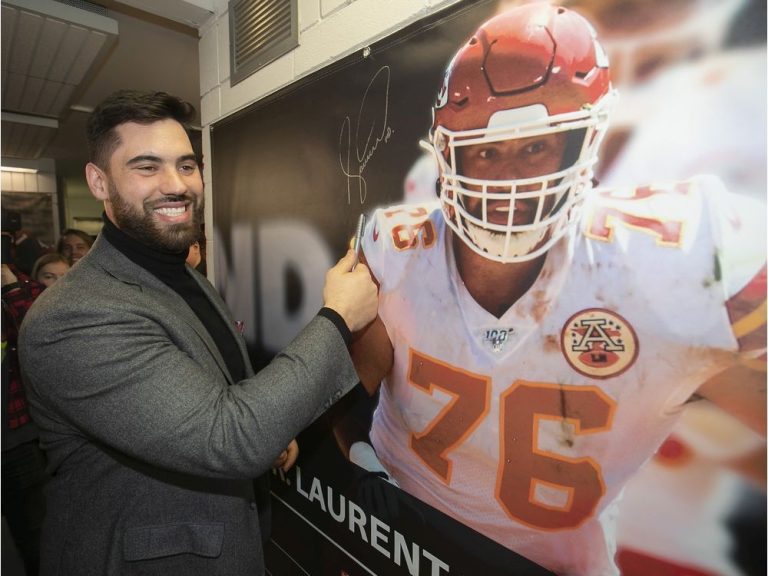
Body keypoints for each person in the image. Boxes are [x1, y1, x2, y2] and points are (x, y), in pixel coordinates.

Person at [334, 4, 766, 575]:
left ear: (584, 141)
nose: (510, 180)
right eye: (485, 152)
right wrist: (360, 474)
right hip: (409, 540)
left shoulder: (679, 255)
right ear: (447, 154)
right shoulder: (398, 244)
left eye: (536, 146)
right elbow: (343, 400)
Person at [18, 89, 379, 576]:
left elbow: (210, 389)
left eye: (187, 166)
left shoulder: (179, 273)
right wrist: (338, 319)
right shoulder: (74, 316)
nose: (177, 184)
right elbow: (226, 437)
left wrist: (269, 431)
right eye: (147, 167)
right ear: (99, 182)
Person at [2, 262, 47, 576]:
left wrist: (9, 289)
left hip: (16, 436)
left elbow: (44, 340)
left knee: (34, 535)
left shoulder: (23, 287)